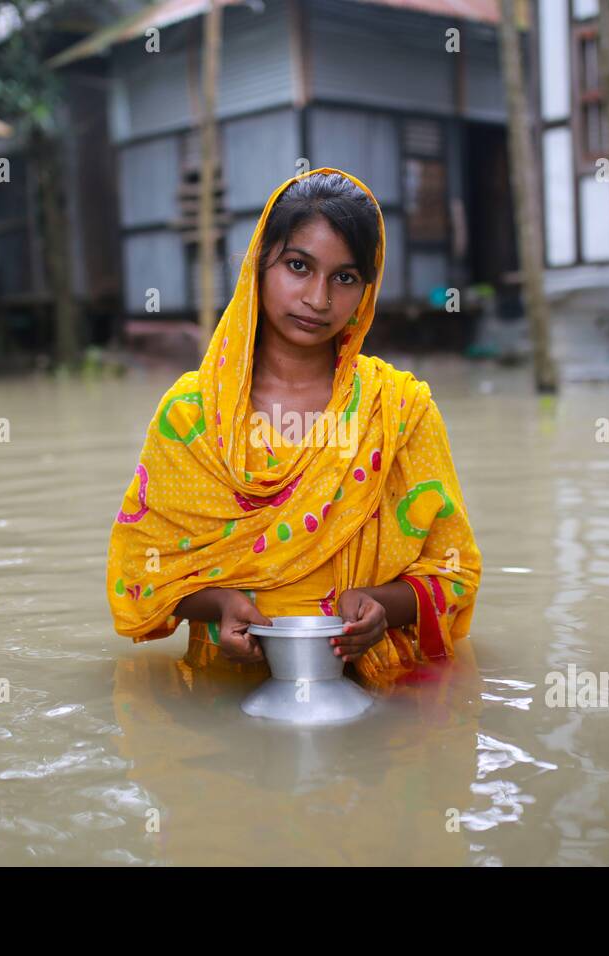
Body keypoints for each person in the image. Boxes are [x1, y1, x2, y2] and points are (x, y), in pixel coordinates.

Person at [106, 166, 482, 691]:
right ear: (259, 265)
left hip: (373, 689)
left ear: (366, 291)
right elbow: (143, 573)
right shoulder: (192, 415)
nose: (319, 298)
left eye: (345, 277)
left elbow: (453, 571)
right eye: (298, 266)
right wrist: (219, 605)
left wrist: (381, 607)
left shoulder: (398, 409)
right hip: (226, 695)